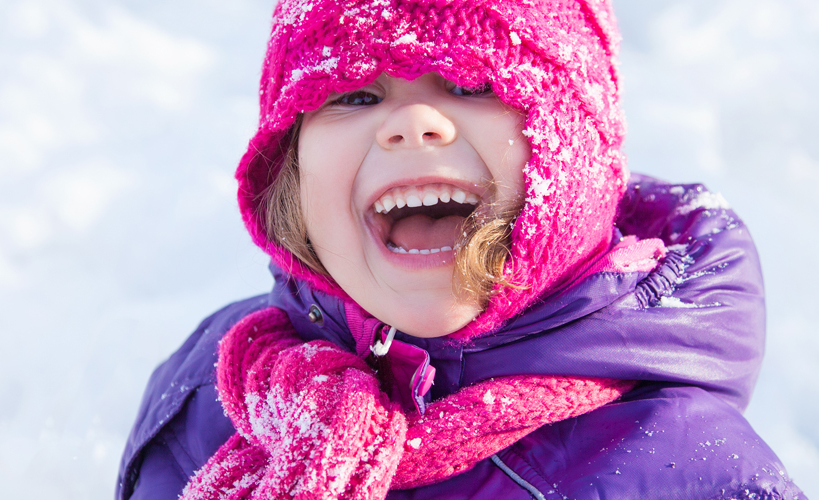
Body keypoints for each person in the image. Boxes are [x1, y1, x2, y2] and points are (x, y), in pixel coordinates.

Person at [116, 0, 806, 498]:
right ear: (288, 166)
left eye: (473, 84)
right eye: (354, 94)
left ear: (578, 153)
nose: (412, 123)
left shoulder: (681, 468)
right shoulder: (216, 390)